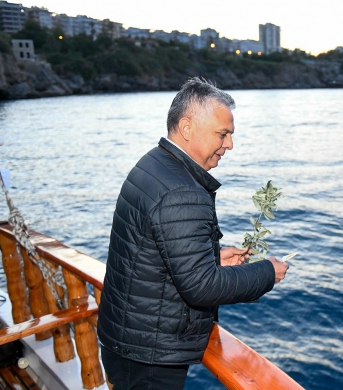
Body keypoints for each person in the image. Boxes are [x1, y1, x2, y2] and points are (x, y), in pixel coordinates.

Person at [97, 77, 290, 389]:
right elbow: (202, 287)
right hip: (150, 355)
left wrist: (211, 258)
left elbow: (151, 252)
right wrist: (267, 272)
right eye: (222, 134)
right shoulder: (182, 191)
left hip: (128, 339)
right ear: (187, 128)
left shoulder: (153, 164)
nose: (230, 145)